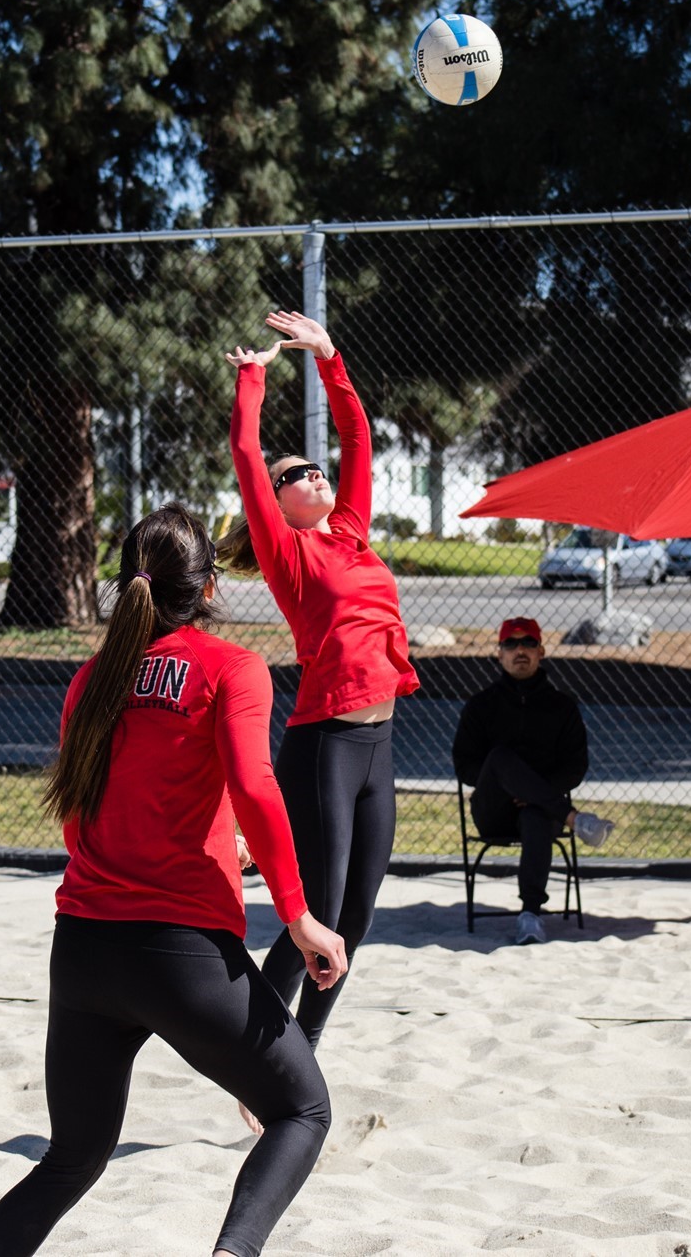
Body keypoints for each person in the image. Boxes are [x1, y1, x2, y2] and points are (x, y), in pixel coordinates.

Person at [0, 504, 349, 1257]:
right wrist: (299, 915)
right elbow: (256, 784)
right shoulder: (231, 666)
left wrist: (217, 845)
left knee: (71, 1158)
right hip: (178, 954)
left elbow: (85, 822)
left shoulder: (92, 680)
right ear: (209, 586)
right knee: (301, 1111)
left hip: (82, 950)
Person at [220, 310, 418, 1051]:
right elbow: (246, 450)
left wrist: (331, 355)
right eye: (297, 473)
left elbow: (359, 437)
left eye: (316, 467)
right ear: (275, 499)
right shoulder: (288, 552)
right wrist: (254, 373)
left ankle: (299, 1050)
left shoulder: (353, 531)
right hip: (326, 744)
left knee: (358, 917)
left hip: (380, 742)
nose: (316, 473)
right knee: (321, 915)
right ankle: (261, 1056)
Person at [450, 616, 612, 945]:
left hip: (542, 812)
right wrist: (507, 783)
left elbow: (575, 767)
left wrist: (536, 791)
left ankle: (530, 914)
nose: (519, 650)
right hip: (494, 810)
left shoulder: (562, 707)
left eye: (528, 644)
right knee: (500, 758)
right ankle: (576, 820)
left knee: (536, 813)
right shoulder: (481, 706)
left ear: (541, 651)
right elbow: (465, 767)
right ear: (499, 653)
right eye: (511, 644)